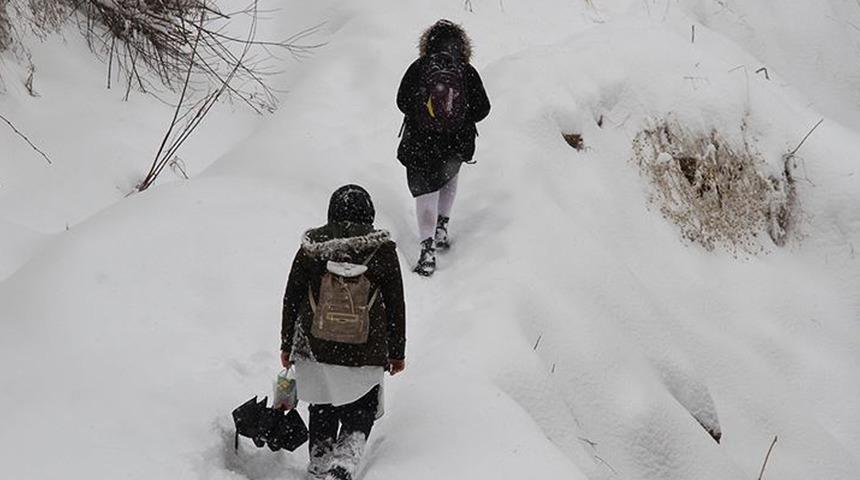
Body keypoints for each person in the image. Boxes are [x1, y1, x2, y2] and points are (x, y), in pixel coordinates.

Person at [280, 185, 406, 480]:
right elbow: (396, 304)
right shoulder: (382, 251)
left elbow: (292, 297)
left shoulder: (311, 248)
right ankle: (344, 462)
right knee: (362, 403)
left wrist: (287, 344)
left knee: (322, 402)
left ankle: (320, 460)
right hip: (365, 348)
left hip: (315, 345)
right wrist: (397, 351)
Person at [396, 19, 491, 277]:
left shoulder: (419, 67)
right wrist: (458, 117)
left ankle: (427, 249)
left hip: (420, 144)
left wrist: (424, 113)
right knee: (448, 175)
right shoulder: (466, 71)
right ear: (462, 46)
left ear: (427, 44)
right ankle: (442, 227)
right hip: (454, 144)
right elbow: (483, 109)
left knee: (424, 192)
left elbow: (401, 101)